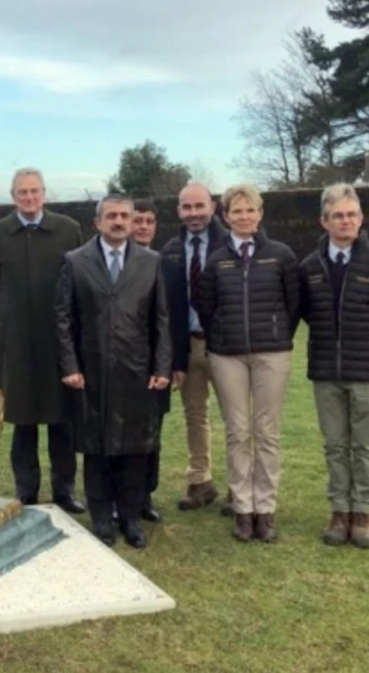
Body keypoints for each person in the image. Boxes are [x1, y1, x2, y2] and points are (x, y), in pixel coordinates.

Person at [299, 183, 369, 549]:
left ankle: (363, 512)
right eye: (338, 215)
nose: (345, 221)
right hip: (326, 372)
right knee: (335, 445)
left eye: (351, 214)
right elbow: (305, 311)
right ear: (324, 221)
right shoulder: (309, 267)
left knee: (365, 446)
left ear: (361, 219)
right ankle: (339, 511)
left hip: (368, 372)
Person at [55, 194, 172, 549]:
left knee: (135, 451)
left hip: (137, 373)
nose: (119, 221)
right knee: (97, 450)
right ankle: (102, 520)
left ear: (134, 220)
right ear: (98, 222)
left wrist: (162, 365)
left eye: (125, 215)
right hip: (91, 373)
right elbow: (63, 319)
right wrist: (70, 366)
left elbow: (162, 319)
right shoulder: (75, 262)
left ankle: (131, 518)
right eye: (111, 216)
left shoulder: (151, 262)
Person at [196, 183, 300, 543]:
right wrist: (223, 335)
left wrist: (275, 332)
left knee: (266, 431)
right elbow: (206, 306)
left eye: (250, 210)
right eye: (236, 211)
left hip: (272, 352)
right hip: (227, 355)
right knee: (237, 431)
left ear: (260, 213)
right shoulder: (216, 259)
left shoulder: (281, 255)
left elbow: (293, 304)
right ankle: (243, 507)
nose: (244, 217)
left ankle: (265, 508)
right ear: (226, 217)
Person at [0, 167, 86, 513]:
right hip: (16, 343)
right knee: (22, 422)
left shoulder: (68, 230)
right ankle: (26, 490)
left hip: (59, 341)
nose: (29, 197)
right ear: (13, 197)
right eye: (22, 192)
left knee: (62, 422)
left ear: (45, 193)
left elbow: (78, 283)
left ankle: (64, 490)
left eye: (35, 191)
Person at [159, 181, 230, 513]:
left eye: (199, 206)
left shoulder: (230, 244)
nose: (194, 214)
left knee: (236, 418)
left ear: (212, 207)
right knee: (195, 416)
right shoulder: (171, 250)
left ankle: (240, 485)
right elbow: (166, 306)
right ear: (179, 211)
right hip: (188, 344)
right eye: (187, 208)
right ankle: (200, 481)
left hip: (225, 345)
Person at [130, 200, 190, 522]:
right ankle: (119, 495)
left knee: (152, 434)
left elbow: (177, 319)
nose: (142, 226)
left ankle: (145, 495)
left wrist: (177, 363)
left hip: (158, 366)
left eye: (148, 221)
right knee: (120, 433)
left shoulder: (169, 268)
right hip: (123, 364)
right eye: (137, 220)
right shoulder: (113, 265)